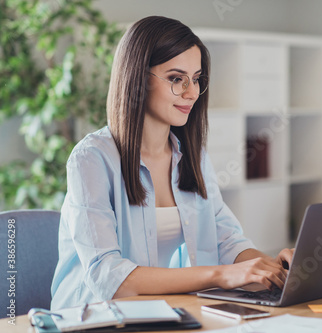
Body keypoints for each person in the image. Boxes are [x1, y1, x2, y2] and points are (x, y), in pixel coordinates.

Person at [50, 16, 293, 310]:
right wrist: (222, 274)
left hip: (162, 311)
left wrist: (273, 267)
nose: (191, 92)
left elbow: (225, 240)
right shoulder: (91, 159)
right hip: (91, 317)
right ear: (137, 78)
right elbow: (111, 278)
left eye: (197, 78)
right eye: (177, 79)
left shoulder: (193, 155)